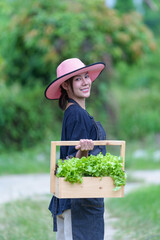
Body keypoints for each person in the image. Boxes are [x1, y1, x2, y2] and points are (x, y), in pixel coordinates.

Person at [44, 58, 106, 240]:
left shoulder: (73, 112)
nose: (86, 82)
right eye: (78, 79)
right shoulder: (77, 114)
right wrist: (83, 151)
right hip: (79, 202)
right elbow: (72, 160)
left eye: (86, 76)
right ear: (66, 85)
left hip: (75, 199)